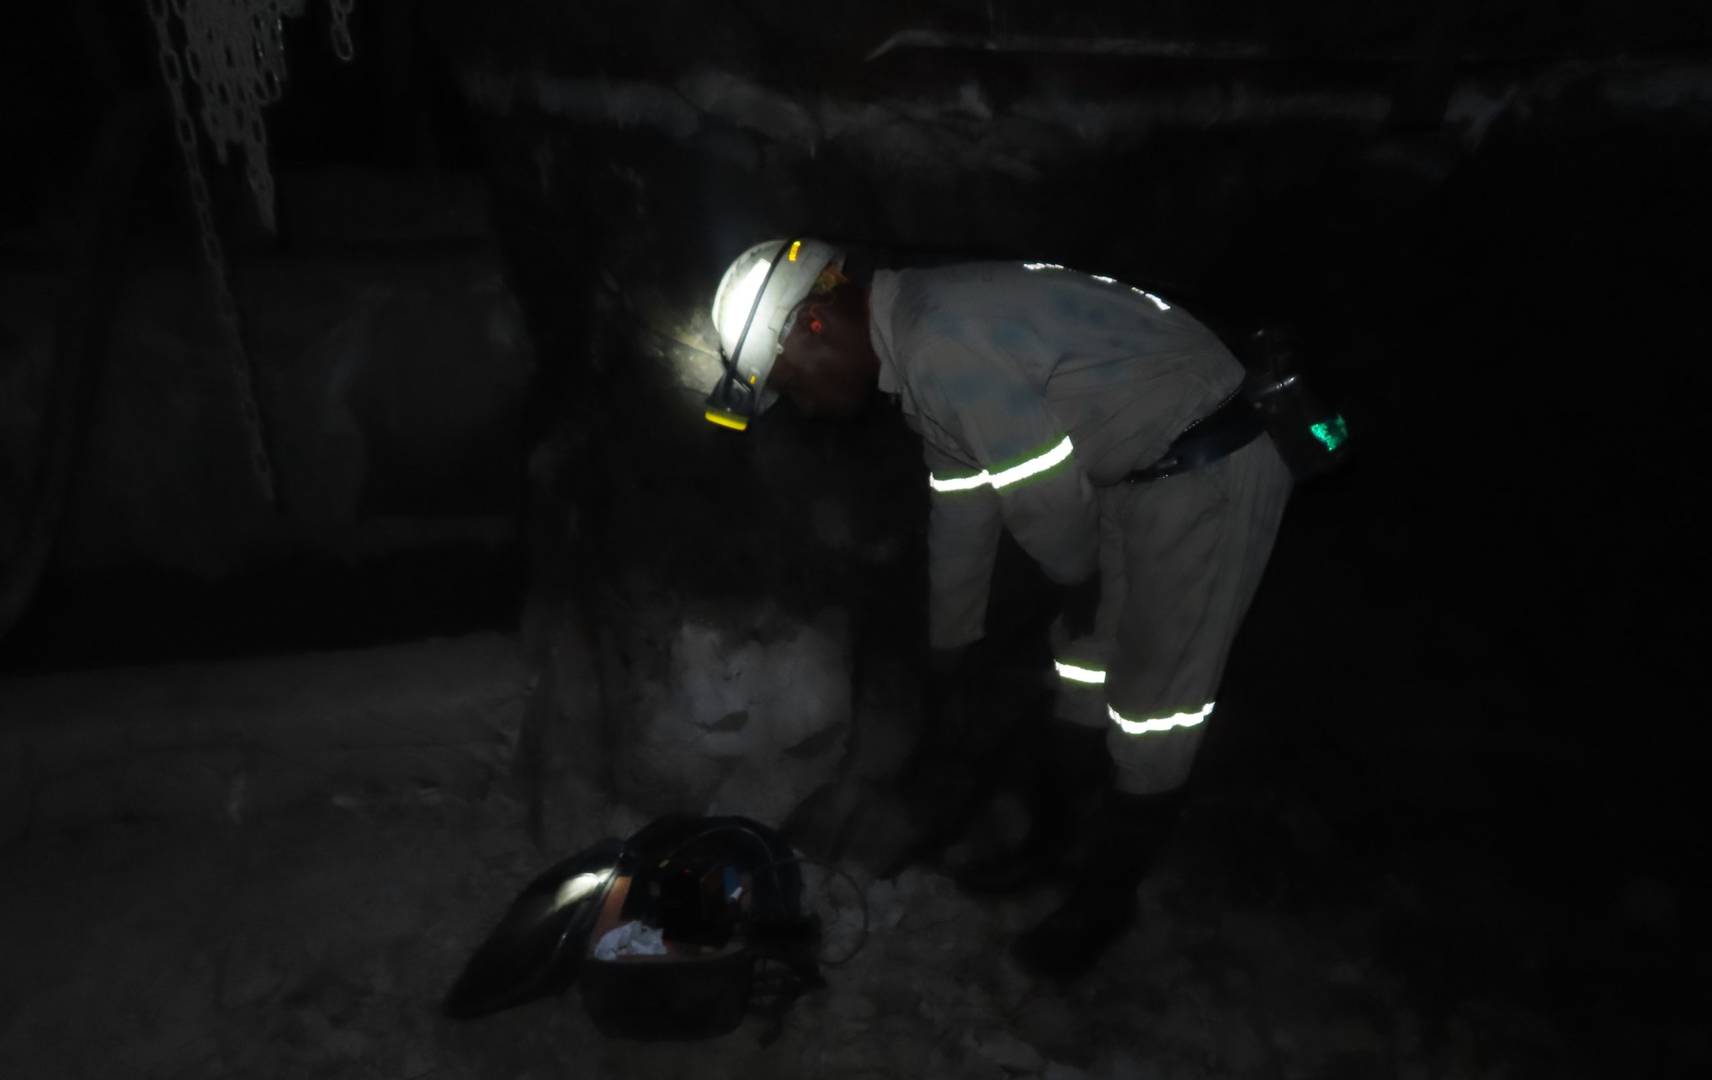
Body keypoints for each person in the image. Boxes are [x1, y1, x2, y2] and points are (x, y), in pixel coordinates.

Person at [706, 239, 1294, 976]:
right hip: (1138, 476)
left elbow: (1044, 492)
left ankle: (1103, 904)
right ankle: (1053, 843)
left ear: (814, 323)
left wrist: (1076, 575)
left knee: (1155, 710)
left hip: (1210, 467)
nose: (809, 405)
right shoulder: (919, 347)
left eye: (793, 383)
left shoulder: (940, 340)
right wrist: (952, 639)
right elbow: (963, 503)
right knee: (1081, 669)